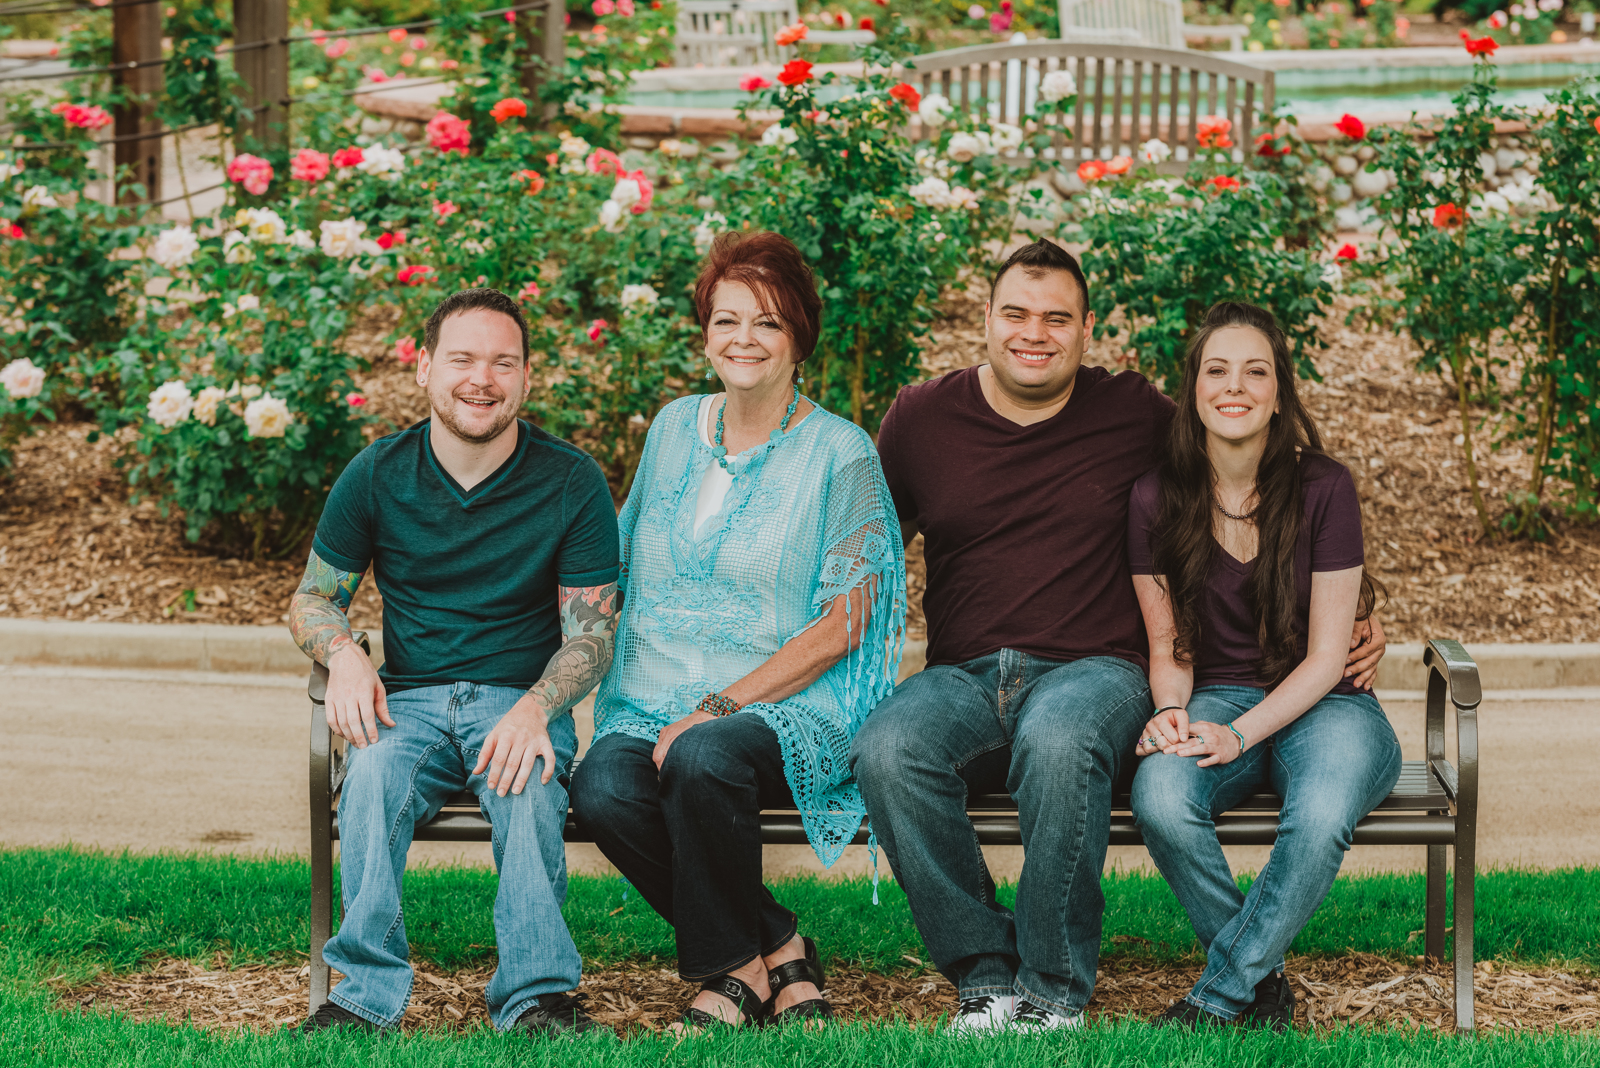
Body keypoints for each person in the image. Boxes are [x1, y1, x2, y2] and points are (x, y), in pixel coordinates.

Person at [850, 240, 1387, 1034]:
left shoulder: (1135, 414)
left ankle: (1061, 989)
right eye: (1017, 314)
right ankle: (987, 978)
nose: (1036, 334)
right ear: (987, 319)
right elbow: (869, 557)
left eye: (1057, 318)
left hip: (1096, 671)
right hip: (966, 672)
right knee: (886, 750)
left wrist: (1362, 611)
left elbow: (1249, 459)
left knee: (1062, 736)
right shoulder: (921, 418)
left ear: (1086, 329)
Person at [570, 231, 905, 1032]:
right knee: (602, 790)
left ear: (798, 340)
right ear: (705, 332)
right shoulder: (674, 428)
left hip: (785, 706)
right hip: (650, 695)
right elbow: (615, 563)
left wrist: (717, 707)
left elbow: (847, 623)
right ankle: (770, 952)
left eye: (767, 323)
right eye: (727, 321)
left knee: (702, 754)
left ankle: (728, 979)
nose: (743, 340)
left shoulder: (841, 453)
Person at [288, 288, 620, 1037]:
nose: (482, 379)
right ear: (425, 369)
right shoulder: (377, 473)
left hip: (519, 701)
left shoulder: (571, 481)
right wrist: (343, 657)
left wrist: (537, 708)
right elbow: (312, 598)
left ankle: (535, 997)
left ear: (527, 380)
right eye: (463, 359)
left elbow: (592, 634)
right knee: (369, 777)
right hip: (406, 703)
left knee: (529, 781)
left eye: (504, 363)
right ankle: (363, 999)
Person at [1127, 301, 1400, 1031]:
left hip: (1332, 704)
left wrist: (1239, 736)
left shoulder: (1325, 488)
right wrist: (1171, 712)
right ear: (1192, 390)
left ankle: (1219, 997)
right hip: (1217, 695)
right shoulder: (1156, 497)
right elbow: (1170, 650)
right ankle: (1262, 982)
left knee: (1318, 816)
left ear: (1281, 392)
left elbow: (1324, 659)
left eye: (1256, 371)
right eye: (1217, 370)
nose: (1235, 385)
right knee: (1159, 793)